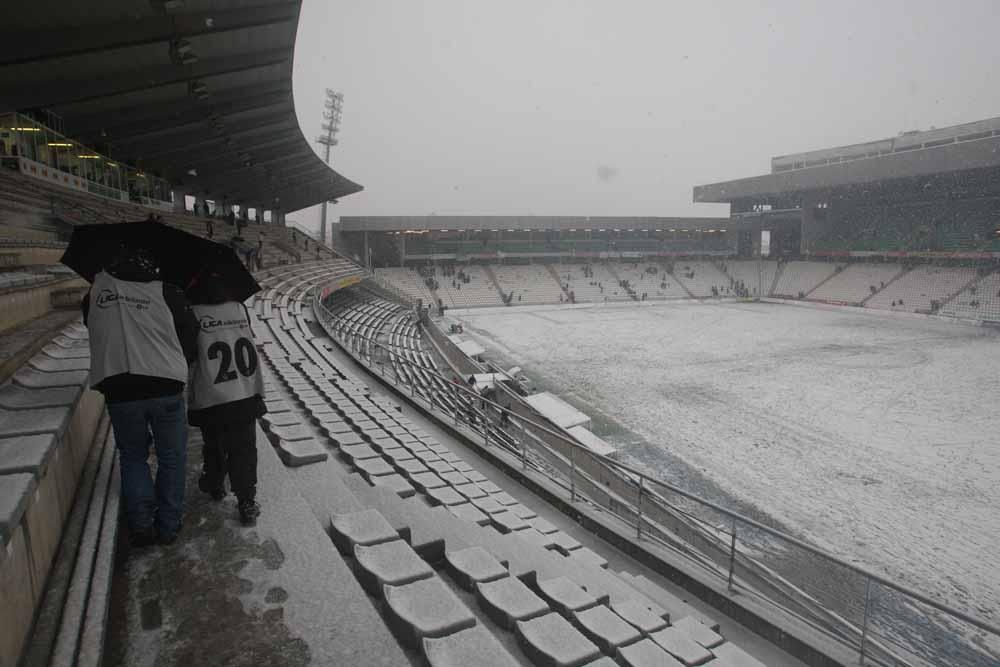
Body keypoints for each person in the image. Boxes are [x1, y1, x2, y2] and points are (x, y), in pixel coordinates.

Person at [82, 247, 199, 547]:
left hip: (119, 386)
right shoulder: (168, 293)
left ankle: (141, 525)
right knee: (172, 458)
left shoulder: (94, 294)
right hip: (165, 384)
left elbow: (91, 326)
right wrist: (177, 360)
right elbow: (190, 333)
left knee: (132, 457)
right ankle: (168, 526)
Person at [186, 275, 267, 526]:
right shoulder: (238, 308)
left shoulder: (192, 313)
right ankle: (247, 501)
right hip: (244, 390)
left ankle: (215, 483)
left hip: (213, 392)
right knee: (244, 448)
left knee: (214, 443)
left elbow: (188, 353)